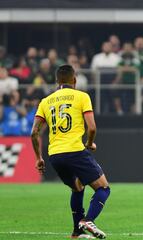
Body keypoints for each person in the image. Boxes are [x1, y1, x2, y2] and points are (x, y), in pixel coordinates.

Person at [30, 65, 110, 239]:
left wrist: (38, 158)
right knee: (103, 188)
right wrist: (89, 144)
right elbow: (92, 127)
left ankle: (76, 232)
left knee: (77, 188)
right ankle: (88, 220)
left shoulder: (46, 101)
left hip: (55, 155)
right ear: (74, 80)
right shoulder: (82, 96)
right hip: (75, 151)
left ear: (57, 81)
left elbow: (34, 132)